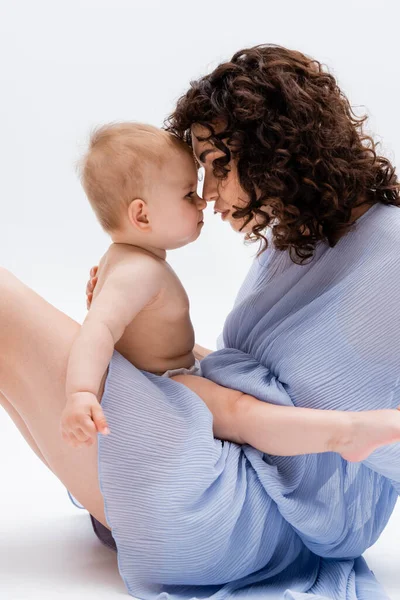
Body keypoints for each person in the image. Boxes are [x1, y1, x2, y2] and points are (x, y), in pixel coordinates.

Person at [1, 44, 399, 600]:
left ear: (274, 151)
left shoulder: (391, 253)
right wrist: (126, 332)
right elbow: (237, 380)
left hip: (239, 513)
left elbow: (268, 402)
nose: (208, 196)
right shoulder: (300, 238)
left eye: (218, 168)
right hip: (228, 472)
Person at [64, 121, 400, 468]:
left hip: (175, 374)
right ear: (142, 214)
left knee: (239, 406)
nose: (202, 200)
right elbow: (97, 331)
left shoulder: (125, 260)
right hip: (167, 386)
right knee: (242, 414)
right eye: (187, 194)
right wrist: (82, 393)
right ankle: (346, 433)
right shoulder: (138, 271)